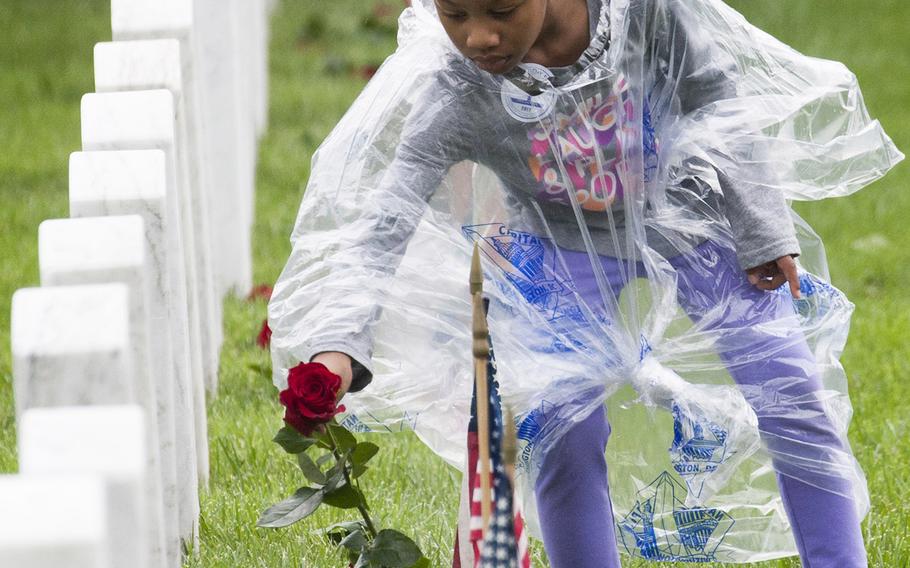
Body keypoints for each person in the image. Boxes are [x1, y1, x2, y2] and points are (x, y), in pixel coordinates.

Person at [269, 0, 901, 565]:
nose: (479, 37)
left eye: (500, 10)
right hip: (558, 251)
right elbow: (385, 221)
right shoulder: (455, 90)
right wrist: (340, 343)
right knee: (562, 435)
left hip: (686, 216)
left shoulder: (646, 14)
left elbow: (713, 98)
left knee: (790, 389)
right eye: (455, 15)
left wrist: (761, 230)